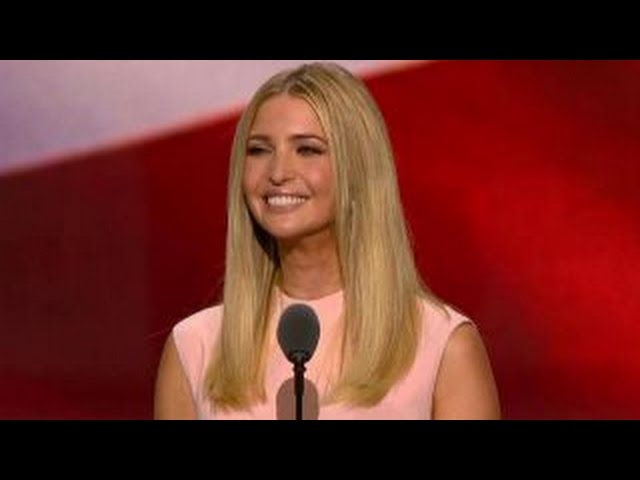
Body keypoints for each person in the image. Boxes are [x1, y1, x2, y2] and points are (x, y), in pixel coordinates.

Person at [154, 62, 501, 420]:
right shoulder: (195, 347)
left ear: (358, 169)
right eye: (259, 150)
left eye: (307, 150)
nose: (277, 173)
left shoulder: (442, 346)